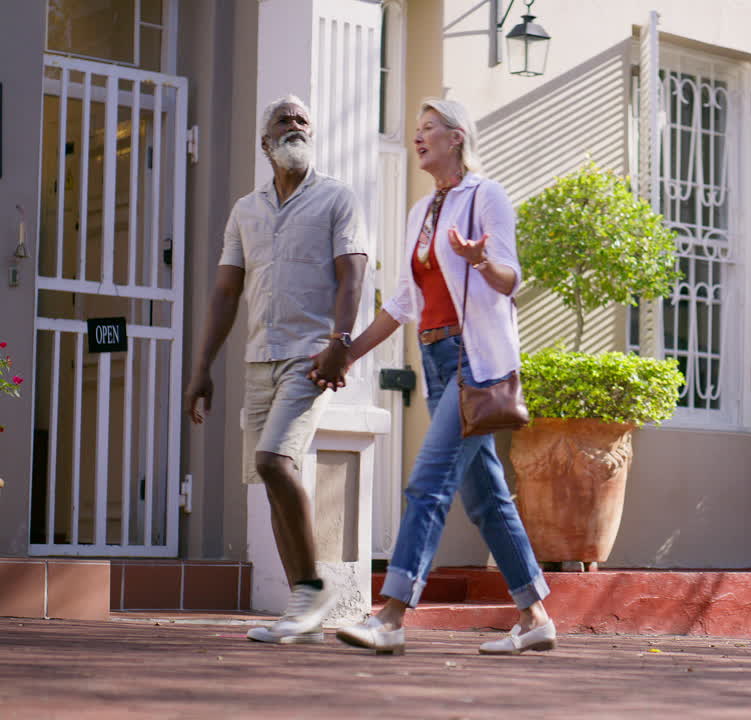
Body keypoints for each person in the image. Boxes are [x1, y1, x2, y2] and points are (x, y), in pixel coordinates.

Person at [312, 98, 554, 656]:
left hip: (475, 360)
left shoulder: (485, 195)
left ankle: (392, 615)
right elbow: (402, 300)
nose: (417, 137)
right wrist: (348, 354)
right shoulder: (421, 210)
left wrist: (479, 261)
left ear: (457, 137)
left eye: (428, 129)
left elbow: (511, 277)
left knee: (428, 483)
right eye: (415, 129)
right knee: (486, 499)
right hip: (435, 359)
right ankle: (535, 614)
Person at [184, 95, 367, 645]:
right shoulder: (246, 210)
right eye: (283, 122)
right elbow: (224, 291)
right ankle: (302, 611)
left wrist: (341, 343)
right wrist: (202, 368)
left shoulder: (336, 197)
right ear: (266, 143)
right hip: (258, 359)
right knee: (269, 476)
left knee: (273, 460)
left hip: (311, 355)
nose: (294, 126)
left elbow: (352, 274)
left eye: (303, 120)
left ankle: (311, 592)